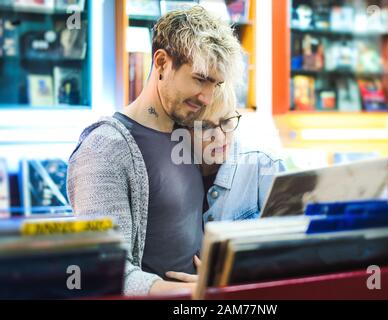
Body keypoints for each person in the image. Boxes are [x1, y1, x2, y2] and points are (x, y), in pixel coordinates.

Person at [67, 6, 244, 296]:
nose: (207, 97)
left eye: (216, 83)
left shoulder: (189, 132)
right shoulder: (104, 149)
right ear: (161, 62)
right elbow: (103, 271)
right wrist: (193, 292)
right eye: (200, 79)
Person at [188, 83, 286, 222]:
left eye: (227, 121)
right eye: (205, 126)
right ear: (183, 129)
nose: (220, 137)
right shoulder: (172, 173)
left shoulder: (265, 166)